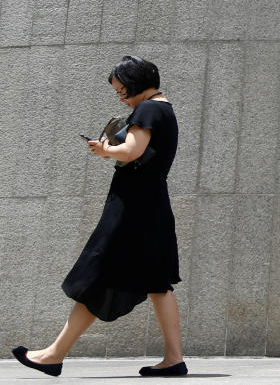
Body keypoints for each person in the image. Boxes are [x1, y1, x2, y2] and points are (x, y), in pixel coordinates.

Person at [11, 56, 186, 378]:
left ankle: (53, 355)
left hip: (133, 209)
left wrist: (105, 149)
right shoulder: (166, 109)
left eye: (122, 89)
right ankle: (174, 359)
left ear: (135, 83)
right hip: (153, 206)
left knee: (98, 275)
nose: (120, 96)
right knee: (157, 284)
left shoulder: (148, 109)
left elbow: (133, 150)